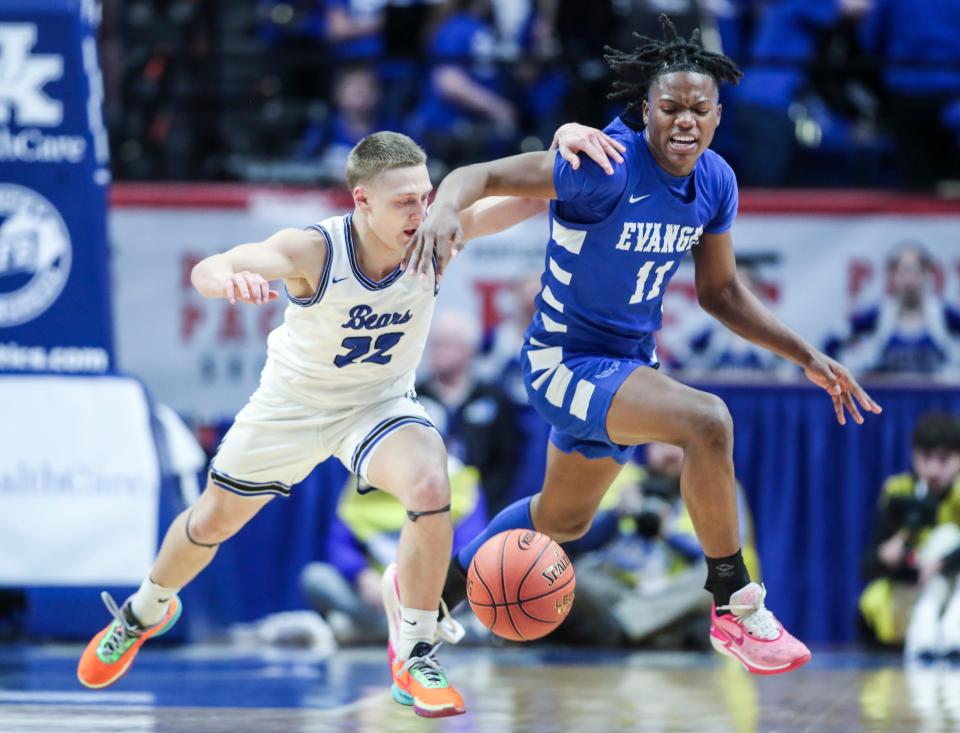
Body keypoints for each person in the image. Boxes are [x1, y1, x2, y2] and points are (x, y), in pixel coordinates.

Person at [75, 125, 623, 717]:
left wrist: (564, 138)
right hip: (292, 407)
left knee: (431, 484)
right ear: (361, 200)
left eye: (426, 195)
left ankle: (414, 650)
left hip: (378, 404)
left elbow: (532, 195)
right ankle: (145, 610)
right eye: (405, 201)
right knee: (210, 522)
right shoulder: (315, 249)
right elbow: (215, 264)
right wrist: (228, 279)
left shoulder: (437, 233)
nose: (422, 210)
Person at [405, 14, 882, 675]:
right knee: (706, 420)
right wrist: (444, 209)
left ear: (718, 115)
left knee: (561, 520)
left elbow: (722, 294)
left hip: (627, 365)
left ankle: (426, 611)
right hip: (563, 360)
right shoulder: (603, 166)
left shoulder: (715, 181)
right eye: (670, 108)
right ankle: (734, 606)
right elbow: (481, 177)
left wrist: (804, 354)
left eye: (699, 108)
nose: (684, 121)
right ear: (646, 109)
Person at [859, 412, 960, 659]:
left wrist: (942, 564)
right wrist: (888, 557)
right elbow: (869, 566)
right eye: (926, 458)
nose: (934, 469)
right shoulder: (898, 493)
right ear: (914, 456)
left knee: (948, 536)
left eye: (944, 459)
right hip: (912, 593)